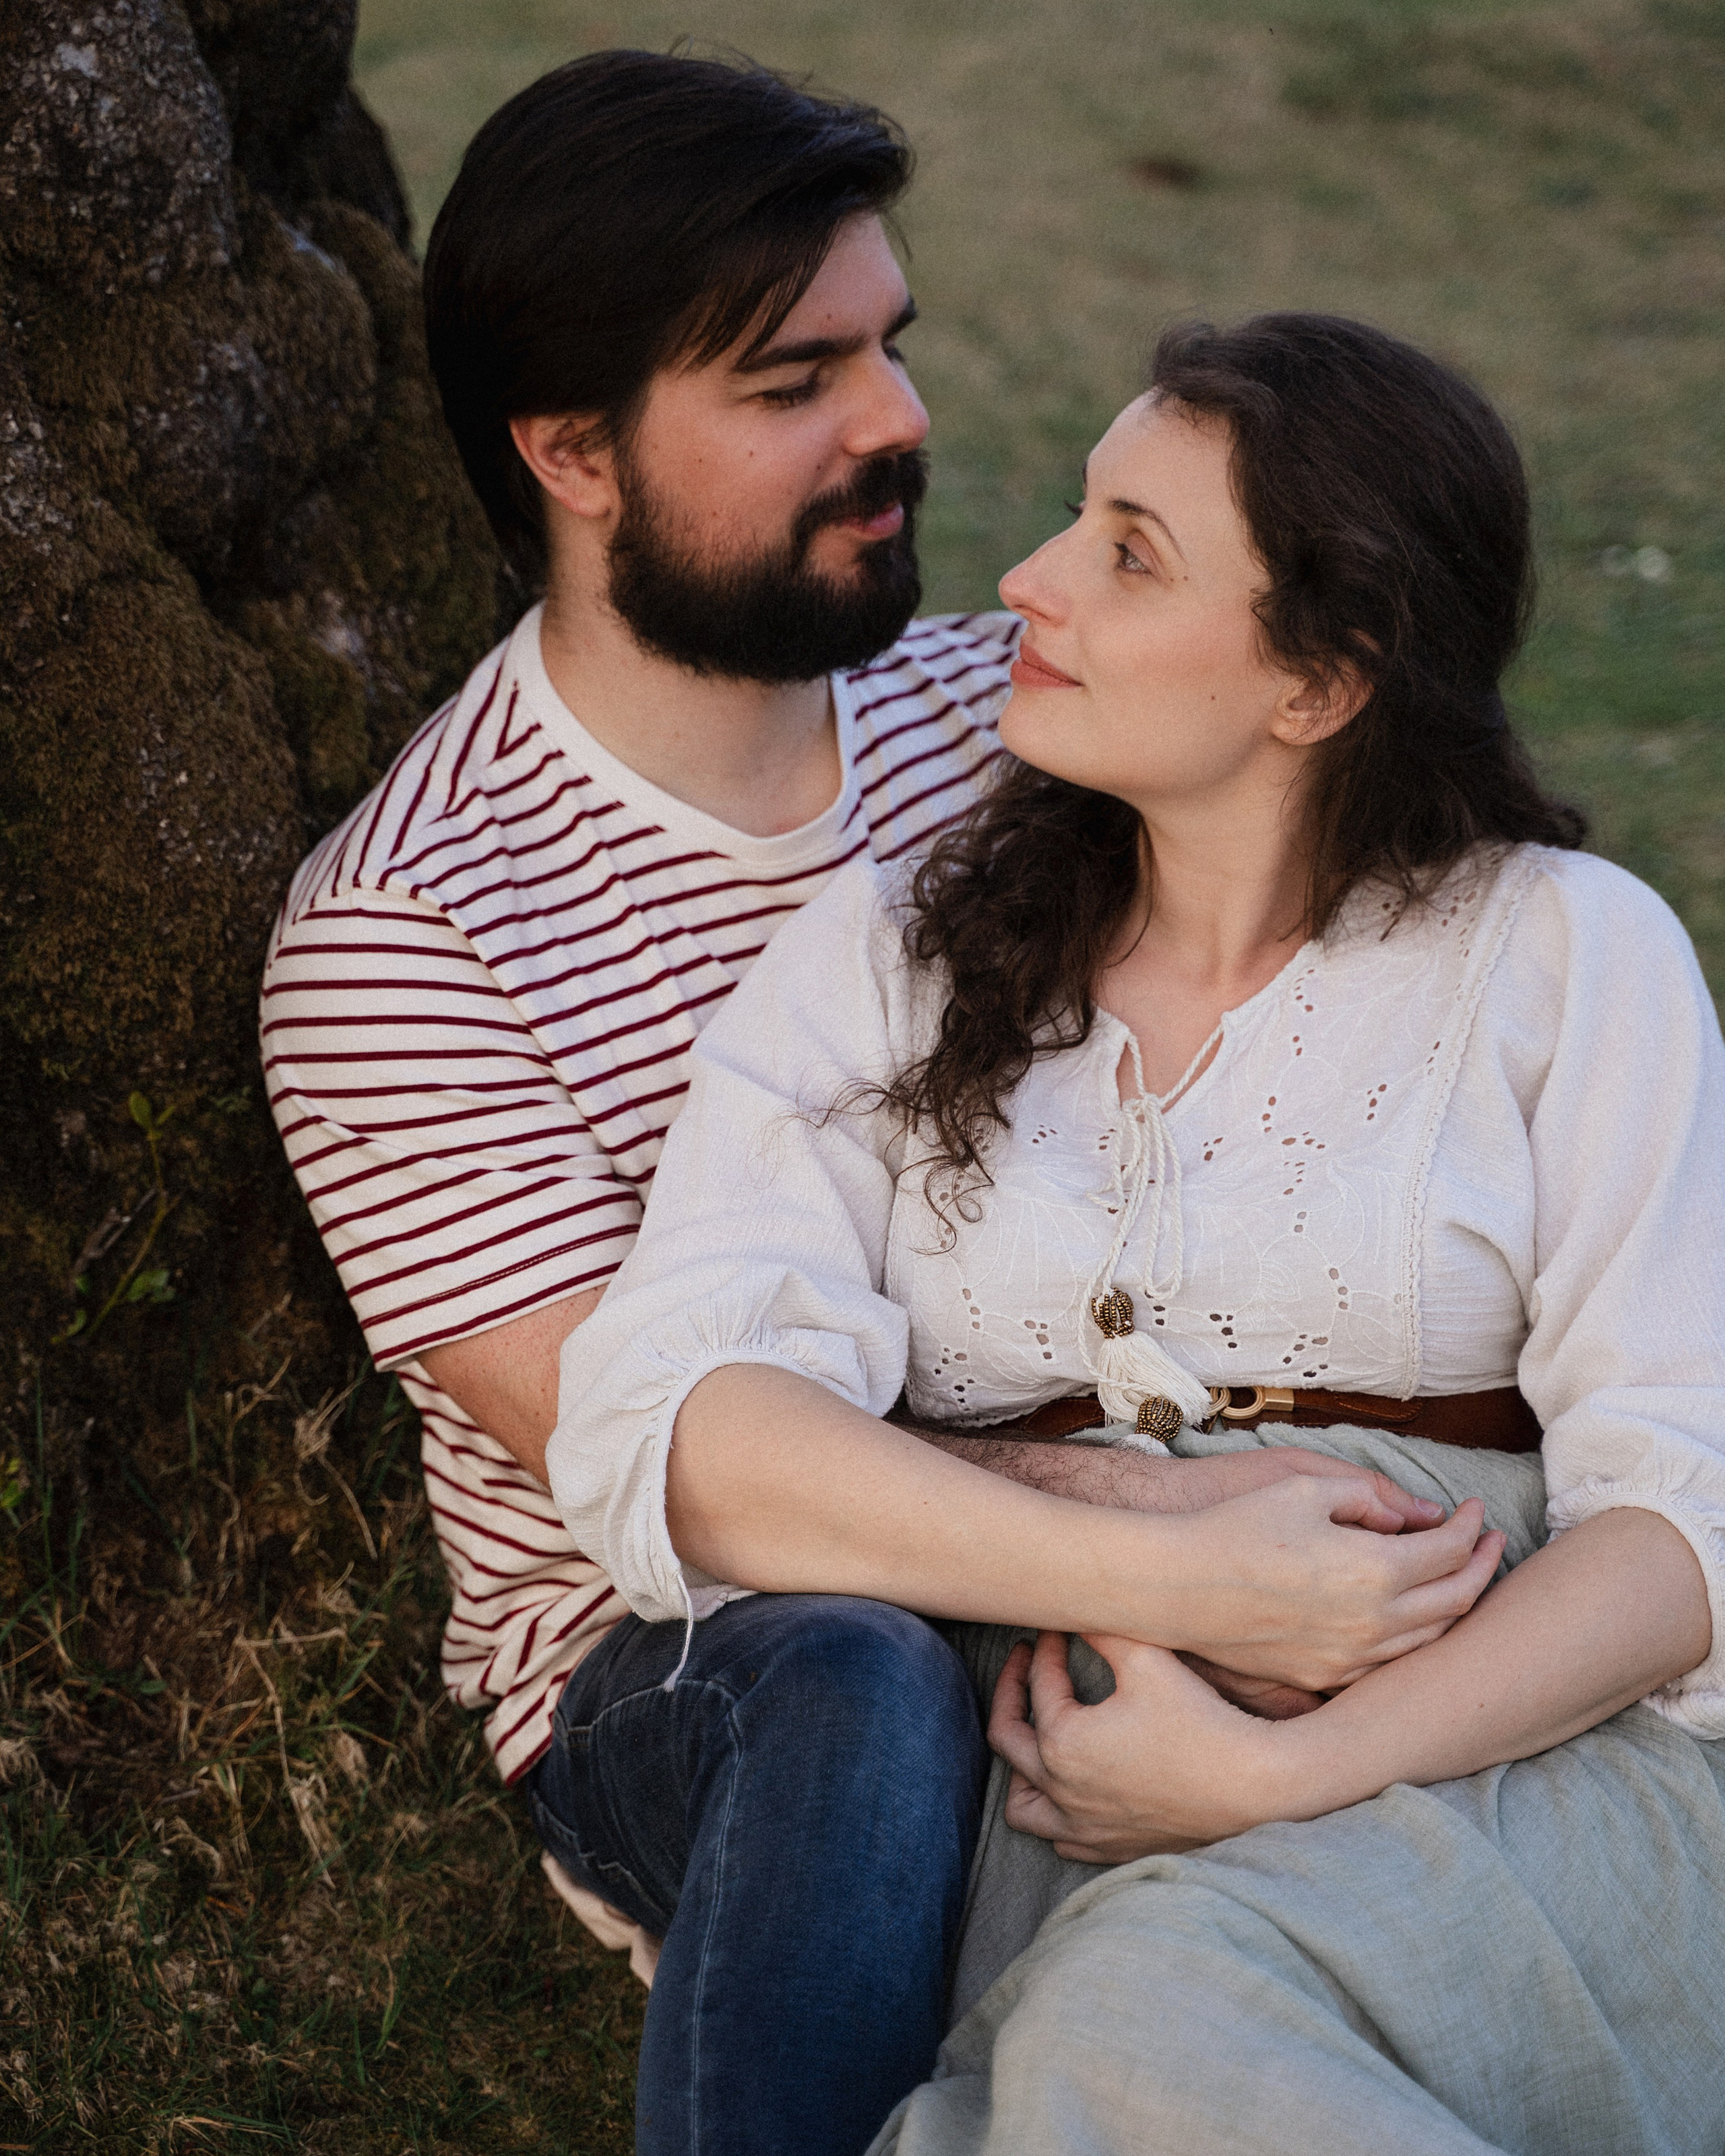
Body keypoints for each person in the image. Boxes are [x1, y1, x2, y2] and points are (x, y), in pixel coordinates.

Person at [261, 52, 1449, 2155]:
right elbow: (699, 1477)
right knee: (858, 1666)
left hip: (1133, 1460)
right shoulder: (406, 937)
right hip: (688, 1658)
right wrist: (1181, 1545)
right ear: (572, 450)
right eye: (796, 378)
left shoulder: (996, 729)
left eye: (888, 345)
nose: (896, 419)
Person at [548, 313, 1725, 2155]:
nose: (1028, 577)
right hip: (1064, 1778)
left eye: (1128, 550)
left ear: (1321, 680)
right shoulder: (892, 965)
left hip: (1505, 1774)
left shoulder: (1566, 952)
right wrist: (1177, 1585)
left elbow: (1688, 1519)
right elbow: (687, 1433)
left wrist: (1280, 1769)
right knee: (1098, 2054)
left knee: (1141, 2028)